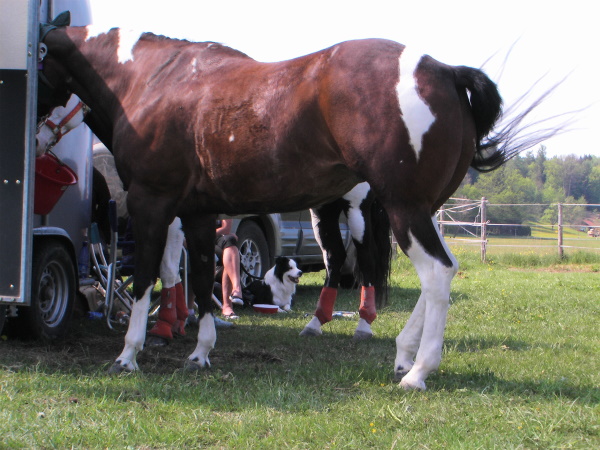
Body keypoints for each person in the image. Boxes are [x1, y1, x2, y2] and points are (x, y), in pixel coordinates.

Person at [215, 218, 244, 319]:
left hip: (215, 237)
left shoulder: (221, 202)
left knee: (229, 243)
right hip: (196, 238)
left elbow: (226, 228)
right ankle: (228, 304)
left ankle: (236, 289)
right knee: (229, 243)